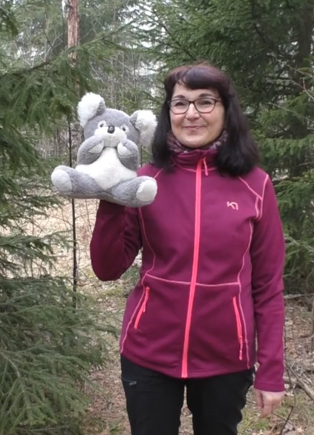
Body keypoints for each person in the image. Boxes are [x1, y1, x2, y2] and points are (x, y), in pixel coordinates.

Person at [89, 62, 287, 435]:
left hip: (226, 358)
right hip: (149, 352)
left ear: (226, 110)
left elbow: (268, 286)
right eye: (180, 103)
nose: (191, 113)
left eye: (205, 101)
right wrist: (111, 198)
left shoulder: (255, 185)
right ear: (169, 113)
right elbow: (107, 267)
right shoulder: (145, 180)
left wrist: (271, 370)